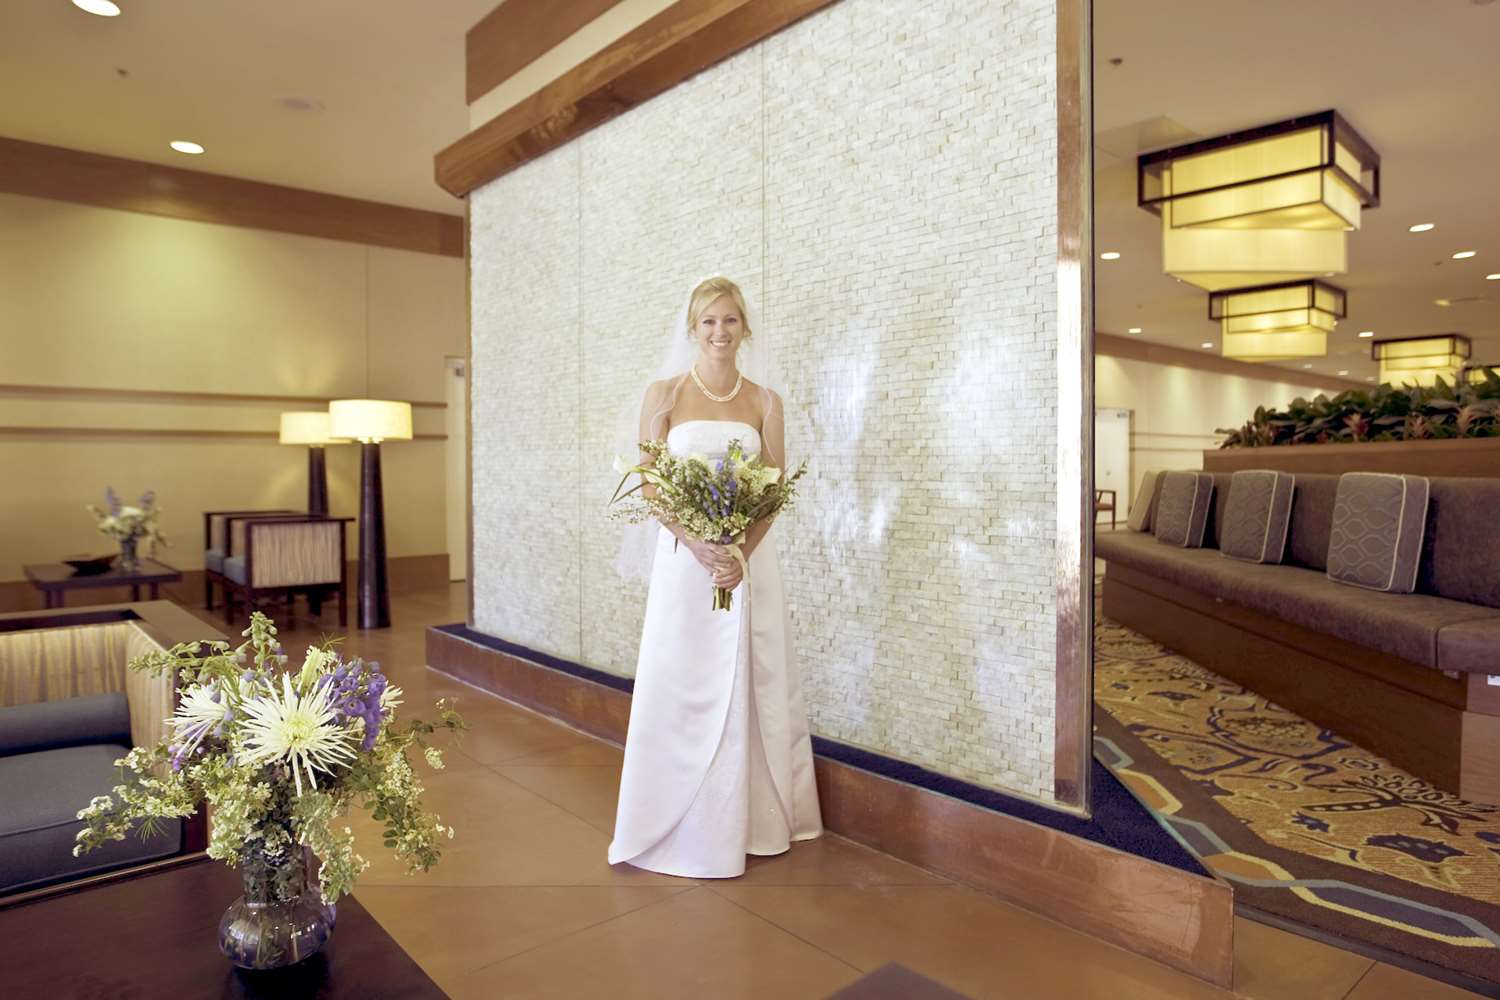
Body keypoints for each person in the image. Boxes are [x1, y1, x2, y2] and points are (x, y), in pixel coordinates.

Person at [607, 276, 823, 878]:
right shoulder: (664, 395)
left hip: (747, 565)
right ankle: (673, 819)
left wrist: (738, 553)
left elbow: (773, 490)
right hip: (684, 562)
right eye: (709, 321)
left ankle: (754, 822)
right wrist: (700, 544)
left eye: (730, 320)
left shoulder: (766, 402)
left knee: (750, 675)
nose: (720, 331)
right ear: (693, 328)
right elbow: (650, 485)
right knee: (682, 673)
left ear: (744, 327)